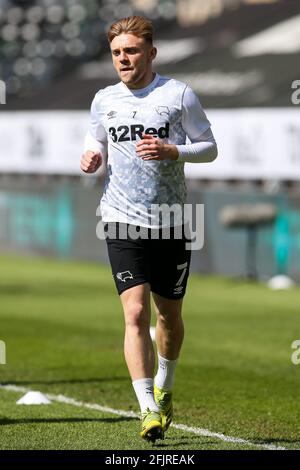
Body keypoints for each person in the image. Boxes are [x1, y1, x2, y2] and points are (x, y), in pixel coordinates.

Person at [81, 15, 218, 443]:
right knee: (136, 313)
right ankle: (148, 410)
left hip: (173, 222)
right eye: (118, 52)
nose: (124, 58)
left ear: (151, 53)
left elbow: (210, 148)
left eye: (132, 51)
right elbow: (95, 139)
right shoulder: (104, 99)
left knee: (169, 317)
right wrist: (90, 157)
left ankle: (165, 384)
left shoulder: (178, 95)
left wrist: (173, 149)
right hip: (120, 219)